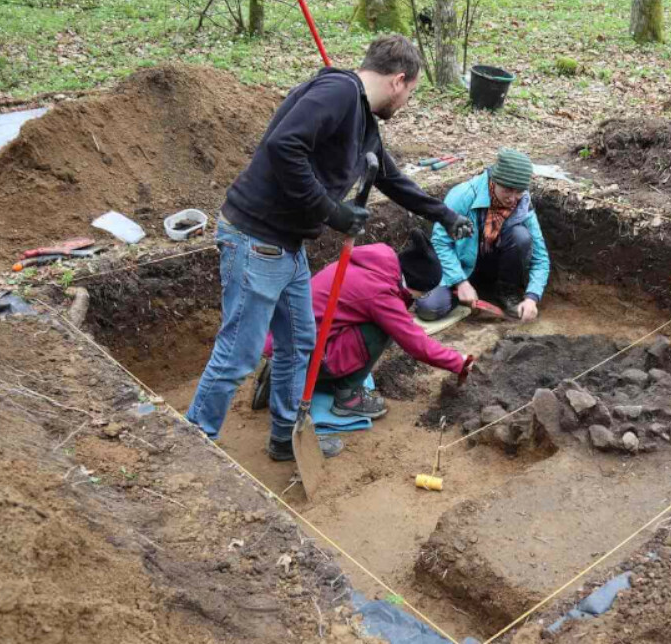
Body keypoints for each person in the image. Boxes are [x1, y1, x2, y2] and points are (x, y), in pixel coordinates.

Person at [186, 34, 472, 463]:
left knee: (300, 344)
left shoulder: (364, 122)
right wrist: (331, 210)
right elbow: (283, 146)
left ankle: (285, 438)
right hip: (255, 237)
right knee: (238, 354)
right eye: (411, 93)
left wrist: (443, 215)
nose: (407, 102)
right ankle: (191, 443)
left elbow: (392, 180)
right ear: (399, 80)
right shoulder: (338, 92)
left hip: (288, 246)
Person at [259, 231, 471, 435]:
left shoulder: (378, 262)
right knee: (383, 329)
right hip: (304, 352)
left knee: (379, 323)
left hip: (284, 339)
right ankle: (347, 398)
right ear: (415, 283)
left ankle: (286, 374)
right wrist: (458, 362)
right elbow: (415, 343)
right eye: (421, 294)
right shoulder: (379, 292)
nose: (418, 300)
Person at [415, 148, 551, 323]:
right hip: (462, 266)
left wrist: (532, 297)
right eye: (508, 190)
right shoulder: (463, 196)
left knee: (521, 237)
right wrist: (460, 282)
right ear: (494, 180)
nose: (513, 198)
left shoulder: (523, 204)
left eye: (519, 191)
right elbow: (441, 242)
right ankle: (465, 289)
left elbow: (541, 256)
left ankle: (505, 290)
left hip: (496, 265)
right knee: (429, 309)